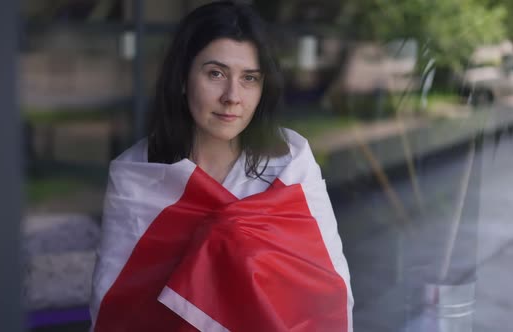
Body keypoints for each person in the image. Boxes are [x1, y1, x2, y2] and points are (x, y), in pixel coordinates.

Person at [90, 1, 353, 331]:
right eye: (215, 73)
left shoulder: (290, 164)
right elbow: (115, 303)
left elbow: (327, 289)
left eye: (249, 78)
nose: (232, 96)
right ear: (183, 78)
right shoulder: (138, 174)